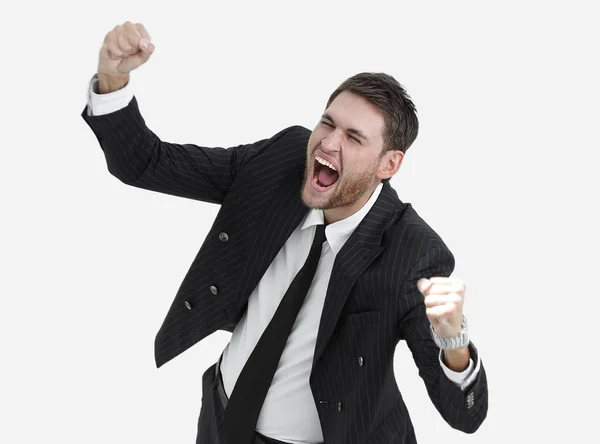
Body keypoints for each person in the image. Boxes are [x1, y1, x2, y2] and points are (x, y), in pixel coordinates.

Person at [81, 21, 488, 444]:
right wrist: (113, 78)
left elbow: (464, 415)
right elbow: (147, 163)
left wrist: (453, 340)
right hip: (221, 418)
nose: (328, 143)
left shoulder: (413, 253)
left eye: (353, 138)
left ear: (388, 165)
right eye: (327, 124)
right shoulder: (281, 162)